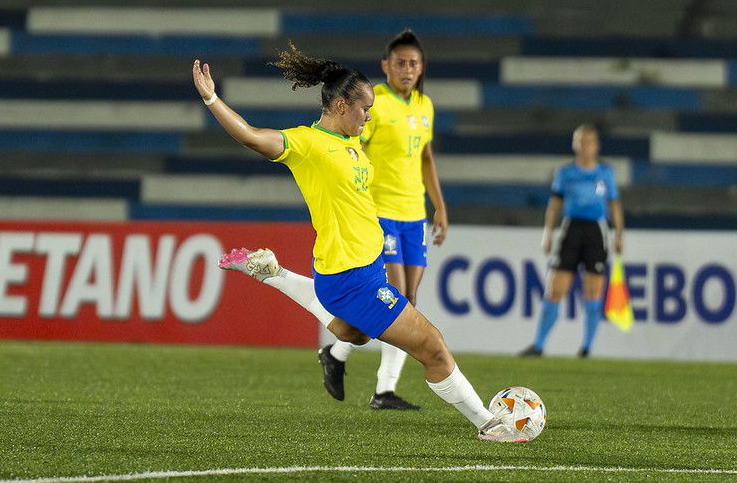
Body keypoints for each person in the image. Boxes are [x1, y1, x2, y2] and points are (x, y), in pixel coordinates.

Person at [193, 44, 509, 441]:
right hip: (351, 276)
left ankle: (274, 273)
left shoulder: (351, 142)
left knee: (355, 335)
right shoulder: (308, 144)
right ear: (341, 106)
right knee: (432, 345)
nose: (370, 116)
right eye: (365, 109)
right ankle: (489, 424)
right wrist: (212, 98)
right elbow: (252, 137)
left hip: (365, 268)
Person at [218, 31, 446, 411]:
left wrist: (439, 205)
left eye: (415, 64)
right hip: (380, 213)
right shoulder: (374, 104)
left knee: (384, 314)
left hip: (413, 213)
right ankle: (384, 390)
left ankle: (336, 355)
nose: (408, 70)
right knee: (396, 301)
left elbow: (424, 156)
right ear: (387, 66)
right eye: (401, 63)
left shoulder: (425, 106)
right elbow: (344, 150)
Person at [520, 124, 624, 358]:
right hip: (571, 230)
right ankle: (538, 345)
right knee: (555, 289)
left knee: (594, 291)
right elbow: (555, 204)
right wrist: (548, 233)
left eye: (590, 141)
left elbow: (614, 205)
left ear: (596, 146)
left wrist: (619, 234)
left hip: (596, 231)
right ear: (575, 144)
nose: (586, 146)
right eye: (581, 141)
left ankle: (586, 348)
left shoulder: (606, 173)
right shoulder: (565, 173)